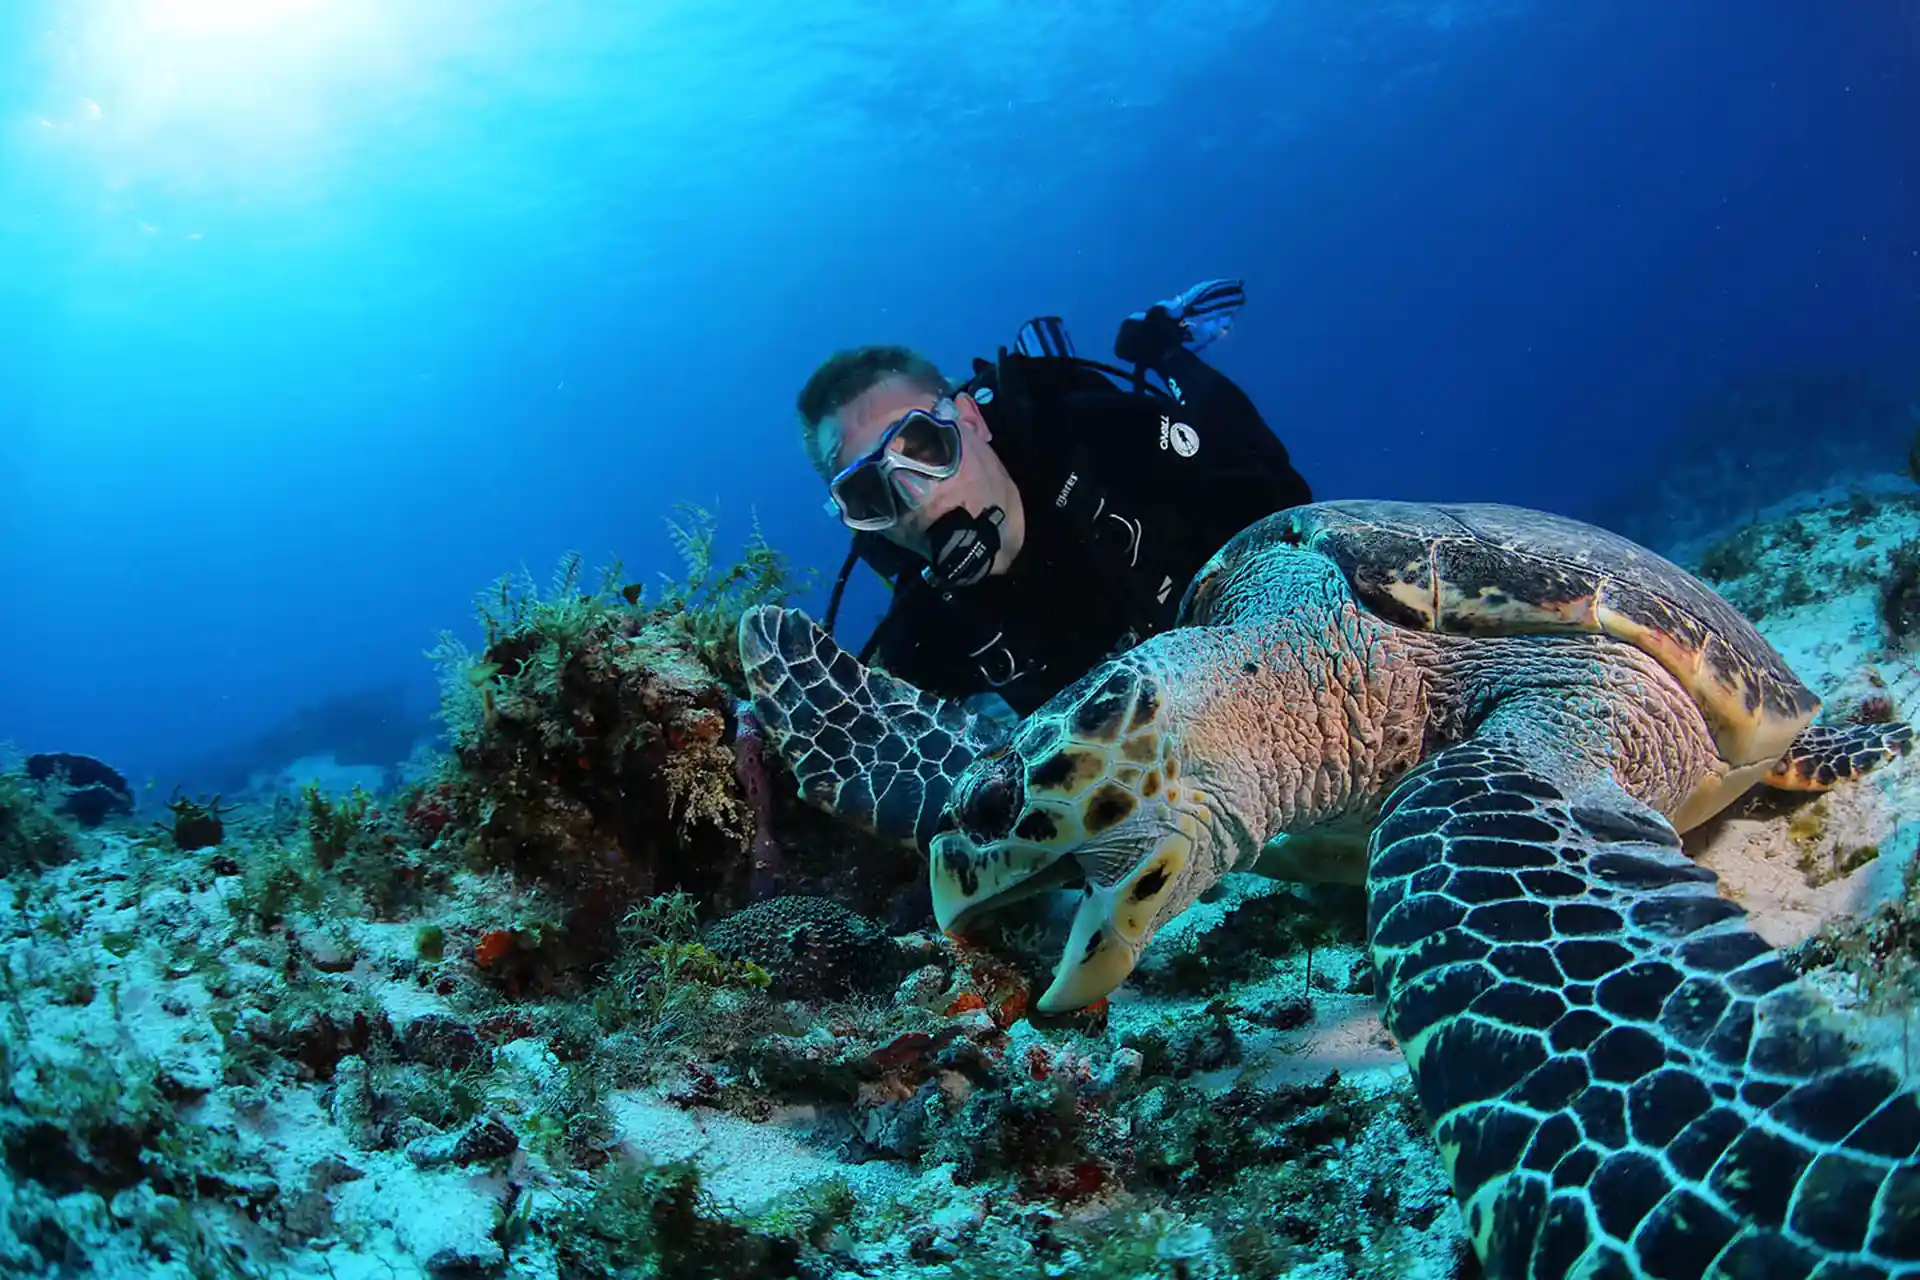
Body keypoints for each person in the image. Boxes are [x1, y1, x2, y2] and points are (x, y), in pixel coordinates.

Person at [795, 280, 1313, 718]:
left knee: (1259, 469)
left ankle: (1159, 344)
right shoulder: (922, 639)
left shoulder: (1101, 439)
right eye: (868, 492)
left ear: (970, 421)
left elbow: (1285, 497)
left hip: (1227, 609)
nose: (913, 495)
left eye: (924, 446)